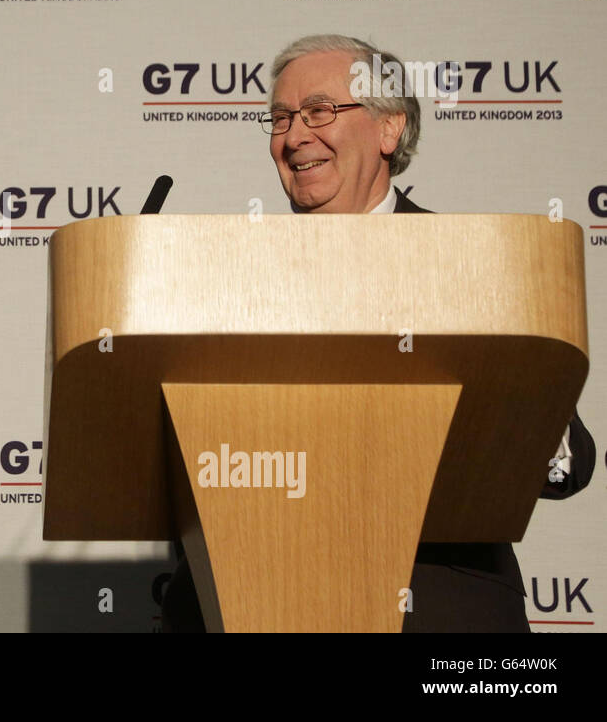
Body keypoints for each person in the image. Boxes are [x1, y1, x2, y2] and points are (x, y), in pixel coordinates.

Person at [163, 33, 594, 632]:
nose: (293, 137)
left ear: (389, 130)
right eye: (281, 118)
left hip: (436, 609)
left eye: (319, 111)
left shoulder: (470, 263)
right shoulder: (221, 278)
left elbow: (565, 467)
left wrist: (503, 407)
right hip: (242, 604)